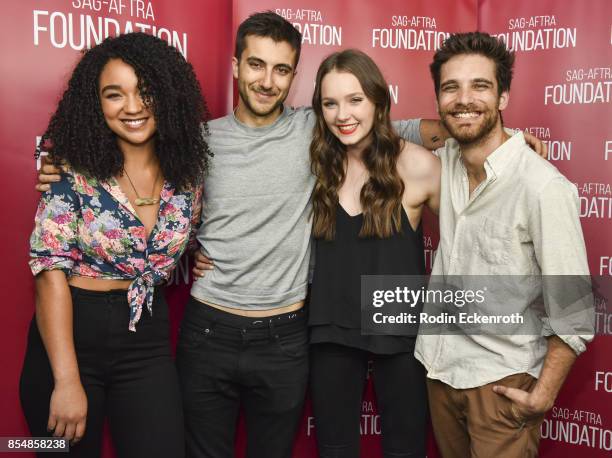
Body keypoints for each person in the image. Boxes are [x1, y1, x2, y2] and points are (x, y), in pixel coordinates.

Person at [34, 13, 547, 458]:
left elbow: (404, 128)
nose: (266, 80)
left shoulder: (315, 129)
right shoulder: (195, 144)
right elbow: (133, 169)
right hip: (207, 331)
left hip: (283, 337)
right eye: (255, 65)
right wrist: (63, 163)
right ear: (235, 66)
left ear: (294, 78)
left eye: (281, 69)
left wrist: (508, 138)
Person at [21, 32, 210, 458]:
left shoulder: (188, 175)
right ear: (96, 104)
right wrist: (67, 381)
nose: (132, 107)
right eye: (114, 94)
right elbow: (49, 273)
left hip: (146, 337)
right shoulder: (69, 169)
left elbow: (191, 234)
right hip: (70, 338)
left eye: (145, 92)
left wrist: (208, 256)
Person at [414, 32, 593, 458]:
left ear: (504, 95)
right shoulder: (446, 163)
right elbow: (367, 126)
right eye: (450, 87)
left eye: (480, 86)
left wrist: (543, 394)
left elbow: (575, 311)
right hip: (440, 371)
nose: (464, 99)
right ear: (438, 98)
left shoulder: (543, 187)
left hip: (502, 385)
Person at [307, 49, 439, 457]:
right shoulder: (315, 165)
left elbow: (477, 237)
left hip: (399, 328)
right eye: (330, 103)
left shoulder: (418, 166)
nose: (342, 114)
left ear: (378, 101)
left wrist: (509, 143)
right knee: (334, 448)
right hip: (330, 324)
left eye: (355, 100)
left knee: (405, 448)